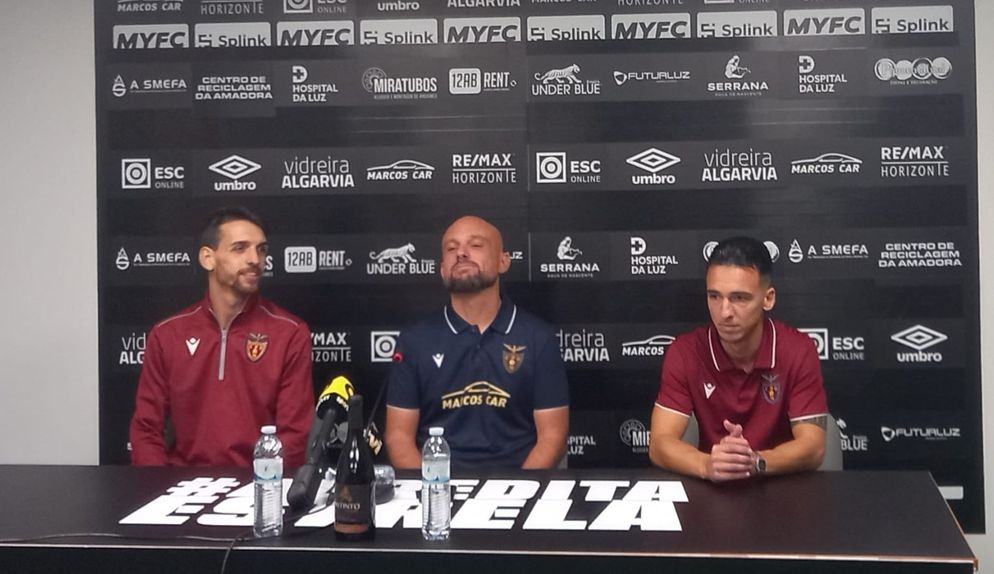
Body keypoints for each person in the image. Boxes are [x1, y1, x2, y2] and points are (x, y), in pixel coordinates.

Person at [129, 206, 314, 466]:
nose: (255, 259)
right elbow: (146, 429)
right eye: (240, 248)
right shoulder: (167, 334)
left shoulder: (289, 333)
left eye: (261, 250)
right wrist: (159, 484)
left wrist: (266, 484)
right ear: (208, 258)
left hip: (258, 483)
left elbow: (294, 435)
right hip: (182, 484)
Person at [385, 215, 569, 469]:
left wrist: (517, 488)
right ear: (442, 269)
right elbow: (399, 438)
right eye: (451, 248)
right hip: (436, 485)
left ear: (504, 261)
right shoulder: (415, 340)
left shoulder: (538, 338)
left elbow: (553, 438)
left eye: (476, 245)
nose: (461, 253)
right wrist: (431, 487)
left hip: (518, 484)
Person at [649, 237, 828, 481]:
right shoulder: (684, 352)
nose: (724, 312)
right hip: (713, 490)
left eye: (739, 298)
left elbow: (813, 447)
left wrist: (753, 461)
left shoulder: (798, 350)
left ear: (768, 299)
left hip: (781, 487)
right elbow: (659, 444)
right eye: (714, 296)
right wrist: (707, 465)